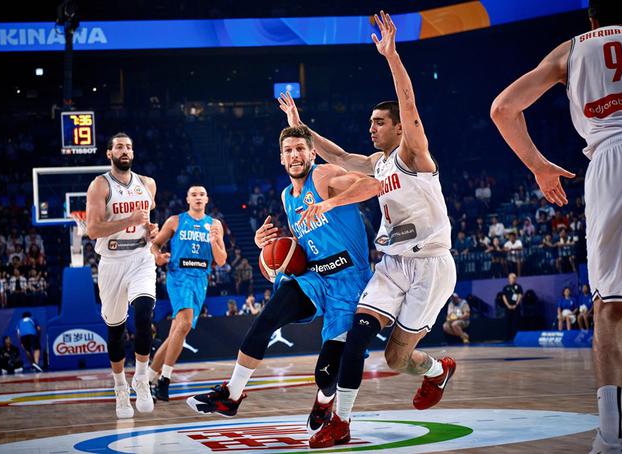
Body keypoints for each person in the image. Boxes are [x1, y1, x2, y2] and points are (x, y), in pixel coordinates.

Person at [277, 12, 456, 448]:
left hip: (431, 266)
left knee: (398, 359)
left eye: (379, 122)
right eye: (371, 122)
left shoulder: (415, 156)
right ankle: (341, 423)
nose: (371, 127)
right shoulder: (375, 164)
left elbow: (409, 104)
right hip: (392, 264)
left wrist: (392, 56)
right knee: (357, 337)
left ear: (398, 127)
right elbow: (336, 154)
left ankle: (437, 370)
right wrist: (300, 125)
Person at [491, 2, 622, 450]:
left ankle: (612, 437)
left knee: (610, 307)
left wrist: (540, 167)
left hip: (609, 161)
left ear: (591, 19)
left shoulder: (570, 51)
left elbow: (503, 108)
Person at [186, 125, 378, 429]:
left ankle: (324, 402)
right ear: (281, 158)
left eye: (300, 149)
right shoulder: (288, 197)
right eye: (288, 150)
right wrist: (267, 246)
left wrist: (329, 202)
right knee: (267, 317)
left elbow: (373, 185)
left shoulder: (323, 176)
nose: (295, 155)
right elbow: (303, 247)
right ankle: (231, 395)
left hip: (350, 286)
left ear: (312, 153)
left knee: (326, 375)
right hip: (316, 280)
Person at [85, 132, 159, 419]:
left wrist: (151, 230)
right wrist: (129, 220)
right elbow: (92, 230)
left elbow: (148, 224)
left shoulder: (147, 184)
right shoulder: (99, 185)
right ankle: (119, 386)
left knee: (144, 315)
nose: (124, 150)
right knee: (116, 330)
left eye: (129, 146)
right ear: (109, 153)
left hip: (141, 258)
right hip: (112, 261)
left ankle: (141, 379)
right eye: (119, 147)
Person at [148, 185, 227, 402]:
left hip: (200, 279)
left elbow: (221, 260)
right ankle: (165, 379)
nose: (198, 197)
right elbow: (154, 245)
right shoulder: (175, 221)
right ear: (188, 199)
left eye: (202, 194)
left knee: (177, 332)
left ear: (207, 199)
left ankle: (147, 379)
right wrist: (158, 256)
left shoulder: (215, 225)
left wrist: (214, 242)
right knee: (183, 324)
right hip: (178, 275)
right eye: (194, 194)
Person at [501, 273, 523, 340]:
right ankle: (507, 337)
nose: (513, 279)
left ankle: (515, 337)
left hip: (516, 308)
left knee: (515, 322)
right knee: (507, 322)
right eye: (511, 278)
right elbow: (503, 296)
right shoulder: (506, 287)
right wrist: (508, 305)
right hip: (508, 308)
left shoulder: (518, 287)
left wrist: (516, 304)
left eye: (514, 278)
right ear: (509, 279)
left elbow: (520, 295)